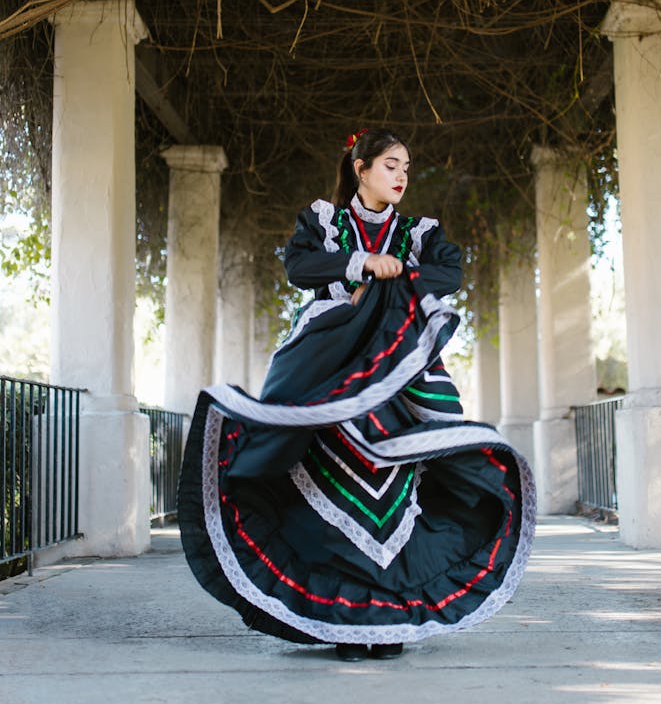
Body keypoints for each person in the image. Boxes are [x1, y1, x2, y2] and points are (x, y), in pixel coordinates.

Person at [178, 128, 535, 661]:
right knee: (326, 485)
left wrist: (397, 279)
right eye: (391, 165)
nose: (401, 177)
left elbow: (450, 271)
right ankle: (347, 624)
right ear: (361, 168)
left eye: (407, 168)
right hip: (325, 363)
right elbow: (299, 266)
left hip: (397, 373)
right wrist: (362, 264)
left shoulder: (418, 232)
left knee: (393, 485)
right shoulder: (324, 221)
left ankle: (387, 625)